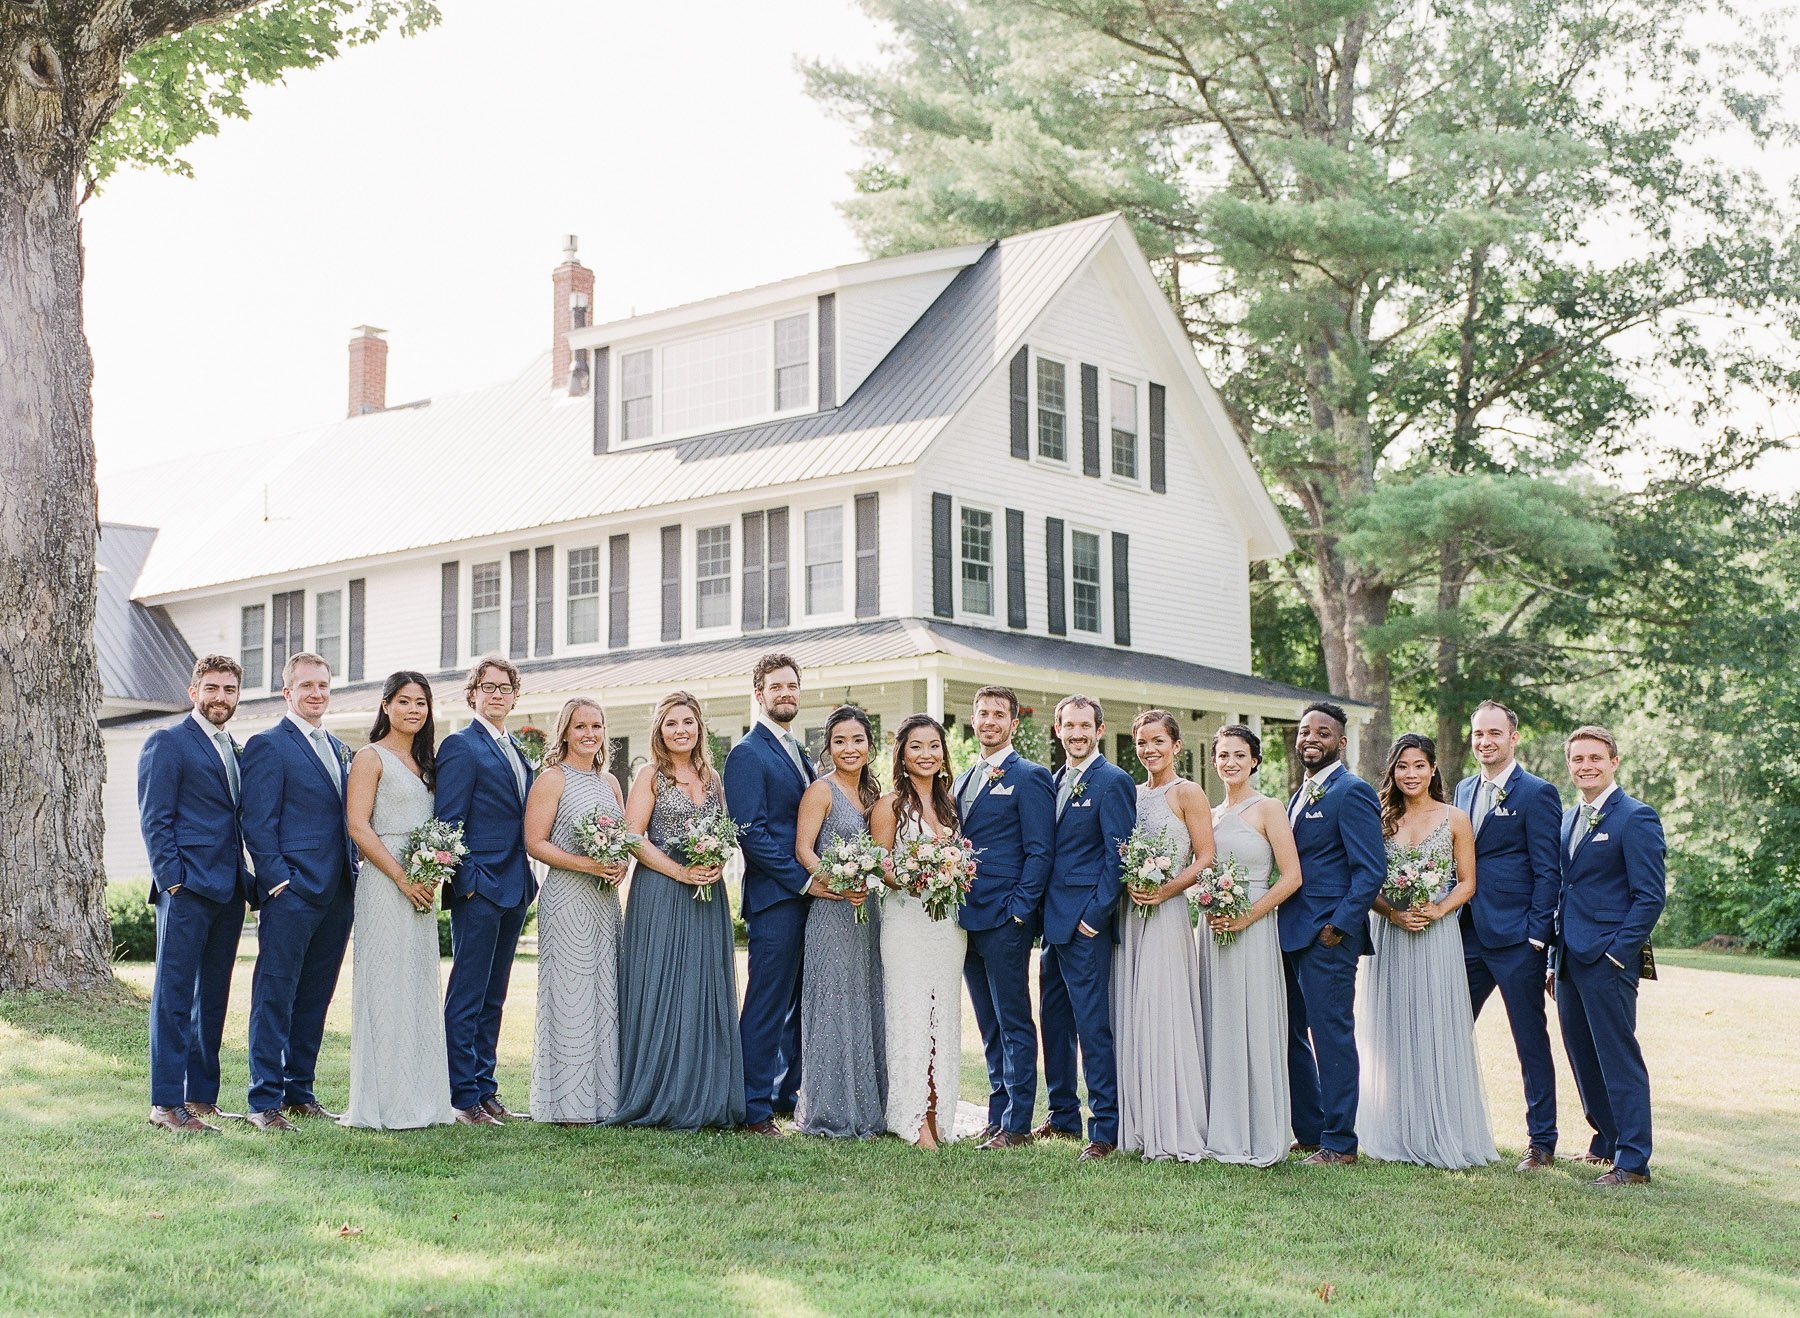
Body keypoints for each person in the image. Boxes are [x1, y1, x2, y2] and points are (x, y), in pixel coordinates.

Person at [1357, 733, 1498, 1169]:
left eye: (1419, 765)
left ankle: (1442, 1128)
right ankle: (1395, 1128)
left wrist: (1437, 911)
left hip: (1437, 936)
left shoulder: (1455, 819)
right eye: (1402, 766)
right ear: (1392, 772)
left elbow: (1468, 883)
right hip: (1392, 934)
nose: (1410, 774)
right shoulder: (1380, 819)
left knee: (1437, 1024)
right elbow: (1367, 882)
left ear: (1433, 769)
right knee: (1393, 1026)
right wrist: (1393, 913)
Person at [614, 691, 746, 1130]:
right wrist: (679, 871)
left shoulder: (713, 778)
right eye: (671, 723)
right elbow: (633, 837)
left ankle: (705, 1093)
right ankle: (660, 1093)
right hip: (660, 893)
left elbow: (726, 834)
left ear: (699, 728)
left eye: (687, 722)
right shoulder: (650, 775)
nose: (680, 730)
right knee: (663, 986)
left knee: (702, 988)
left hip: (706, 899)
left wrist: (716, 861)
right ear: (660, 730)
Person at [239, 651, 358, 1131]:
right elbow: (257, 822)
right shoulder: (268, 745)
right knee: (275, 994)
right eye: (306, 685)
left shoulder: (339, 747)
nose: (316, 693)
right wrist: (277, 883)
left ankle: (298, 1092)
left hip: (338, 893)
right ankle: (263, 1101)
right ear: (287, 692)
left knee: (315, 996)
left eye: (323, 686)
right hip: (292, 893)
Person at [137, 655, 254, 1133]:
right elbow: (155, 818)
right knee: (174, 996)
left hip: (228, 890)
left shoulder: (235, 749)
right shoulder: (168, 742)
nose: (220, 697)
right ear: (193, 692)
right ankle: (166, 1103)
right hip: (186, 889)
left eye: (229, 689)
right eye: (211, 688)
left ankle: (202, 1097)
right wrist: (173, 881)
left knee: (213, 996)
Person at [1552, 725, 1665, 1186]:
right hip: (1566, 958)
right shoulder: (1566, 818)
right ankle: (1605, 1141)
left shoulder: (1635, 817)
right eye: (1578, 759)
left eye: (1595, 758)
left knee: (1617, 1056)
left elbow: (1650, 897)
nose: (1586, 766)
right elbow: (1565, 887)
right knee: (1581, 1054)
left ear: (1613, 761)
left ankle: (1633, 1161)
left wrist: (1619, 954)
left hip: (1607, 959)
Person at [341, 671, 454, 1130]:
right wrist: (404, 877)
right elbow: (357, 826)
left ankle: (422, 1098)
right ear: (386, 706)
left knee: (417, 988)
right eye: (404, 701)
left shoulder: (427, 763)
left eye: (421, 702)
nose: (413, 709)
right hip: (387, 885)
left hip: (422, 888)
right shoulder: (370, 758)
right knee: (385, 990)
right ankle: (385, 1103)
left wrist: (429, 873)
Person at [1455, 700, 1563, 1171]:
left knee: (1529, 1040)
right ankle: (1450, 1128)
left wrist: (1537, 936)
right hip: (1464, 934)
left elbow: (1548, 870)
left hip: (1517, 939)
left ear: (1513, 738)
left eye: (1494, 733)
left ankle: (1541, 1141)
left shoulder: (1537, 793)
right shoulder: (1460, 789)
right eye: (1479, 733)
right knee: (1451, 1030)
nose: (1485, 741)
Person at [1281, 701, 1385, 1165]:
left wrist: (1338, 927)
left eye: (1322, 733)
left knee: (1332, 1036)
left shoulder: (1352, 791)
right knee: (1291, 1035)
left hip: (1328, 939)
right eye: (1305, 732)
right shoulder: (1297, 795)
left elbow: (1370, 871)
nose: (1311, 739)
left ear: (1340, 742)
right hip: (1289, 934)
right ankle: (1310, 1130)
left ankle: (1340, 1142)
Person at [952, 685, 1053, 1149]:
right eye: (983, 712)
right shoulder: (963, 778)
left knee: (1013, 1020)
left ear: (1014, 722)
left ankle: (1017, 1124)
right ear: (974, 719)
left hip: (1005, 919)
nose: (989, 720)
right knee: (988, 1023)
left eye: (999, 714)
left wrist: (1019, 911)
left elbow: (1039, 851)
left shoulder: (1029, 776)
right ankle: (996, 1115)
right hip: (965, 917)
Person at [436, 654, 536, 1126]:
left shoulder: (515, 749)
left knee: (494, 996)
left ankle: (486, 1087)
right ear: (473, 693)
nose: (497, 694)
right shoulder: (460, 745)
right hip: (480, 888)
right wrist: (467, 883)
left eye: (505, 688)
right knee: (467, 995)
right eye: (488, 686)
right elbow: (449, 822)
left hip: (515, 887)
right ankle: (461, 1096)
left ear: (515, 696)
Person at [1112, 710, 1215, 1162]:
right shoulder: (1130, 794)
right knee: (1132, 1009)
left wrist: (1167, 888)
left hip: (1168, 912)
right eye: (1141, 743)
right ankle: (1135, 1123)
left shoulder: (1187, 792)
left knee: (1164, 1007)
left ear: (1176, 746)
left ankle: (1172, 1123)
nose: (1149, 750)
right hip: (1129, 914)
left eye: (1158, 742)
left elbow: (1206, 857)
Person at [1037, 695, 1136, 1162]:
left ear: (1099, 730)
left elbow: (1119, 855)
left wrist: (1095, 918)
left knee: (1093, 1026)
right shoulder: (1055, 779)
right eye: (1068, 726)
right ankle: (1061, 1114)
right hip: (1050, 925)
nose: (1076, 733)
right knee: (1054, 1022)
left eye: (1084, 726)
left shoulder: (1112, 781)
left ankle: (1105, 1129)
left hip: (1084, 925)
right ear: (1058, 730)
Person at [1201, 724, 1302, 1166]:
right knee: (1216, 1021)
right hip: (1212, 933)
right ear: (1214, 760)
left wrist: (1246, 917)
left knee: (1253, 1022)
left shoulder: (1269, 808)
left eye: (1240, 755)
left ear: (1255, 761)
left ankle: (1259, 1131)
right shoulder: (1209, 813)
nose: (1231, 763)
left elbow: (1292, 876)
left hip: (1254, 929)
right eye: (1223, 755)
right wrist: (1205, 903)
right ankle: (1217, 1123)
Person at [524, 698, 629, 1125]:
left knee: (606, 994)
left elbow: (622, 838)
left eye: (597, 726)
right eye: (581, 726)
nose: (590, 734)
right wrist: (589, 863)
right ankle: (567, 1105)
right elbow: (535, 842)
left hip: (604, 900)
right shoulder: (552, 779)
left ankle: (606, 1101)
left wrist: (620, 863)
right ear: (565, 731)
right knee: (570, 997)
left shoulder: (610, 784)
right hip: (567, 898)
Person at [722, 653, 814, 1135]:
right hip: (776, 898)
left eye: (792, 686)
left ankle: (784, 1093)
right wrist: (802, 880)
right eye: (776, 686)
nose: (786, 693)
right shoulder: (746, 754)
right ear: (759, 693)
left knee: (800, 1002)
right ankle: (751, 1106)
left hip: (811, 900)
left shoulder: (799, 752)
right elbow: (751, 833)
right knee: (767, 1002)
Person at [870, 714, 968, 1149]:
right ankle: (913, 1118)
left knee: (942, 1014)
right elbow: (880, 864)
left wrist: (952, 873)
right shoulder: (890, 805)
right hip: (906, 921)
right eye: (916, 747)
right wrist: (914, 878)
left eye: (933, 746)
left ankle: (938, 1112)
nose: (926, 755)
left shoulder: (950, 805)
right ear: (903, 756)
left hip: (947, 925)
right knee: (910, 1013)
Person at [792, 705, 887, 1139]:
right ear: (828, 748)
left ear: (870, 745)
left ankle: (871, 1106)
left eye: (857, 740)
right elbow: (804, 851)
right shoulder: (820, 791)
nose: (849, 748)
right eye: (840, 741)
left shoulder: (875, 796)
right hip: (832, 909)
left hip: (869, 915)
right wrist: (838, 880)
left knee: (866, 1000)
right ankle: (830, 1109)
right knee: (832, 1003)